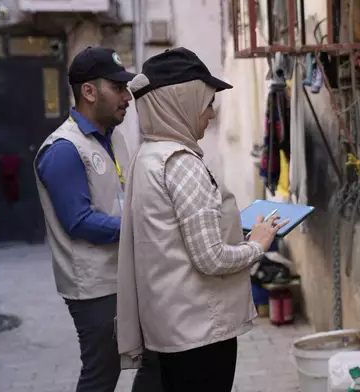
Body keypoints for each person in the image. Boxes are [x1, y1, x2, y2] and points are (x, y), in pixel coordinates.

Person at [116, 47, 289, 392]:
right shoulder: (181, 164)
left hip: (172, 326)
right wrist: (257, 244)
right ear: (182, 100)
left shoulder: (147, 156)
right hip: (201, 333)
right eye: (207, 102)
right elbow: (211, 257)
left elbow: (174, 235)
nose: (211, 114)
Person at [34, 46, 162, 392]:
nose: (127, 97)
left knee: (156, 359)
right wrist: (143, 227)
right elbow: (79, 221)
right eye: (118, 88)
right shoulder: (63, 149)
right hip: (95, 287)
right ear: (89, 92)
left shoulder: (115, 138)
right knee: (101, 375)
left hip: (123, 274)